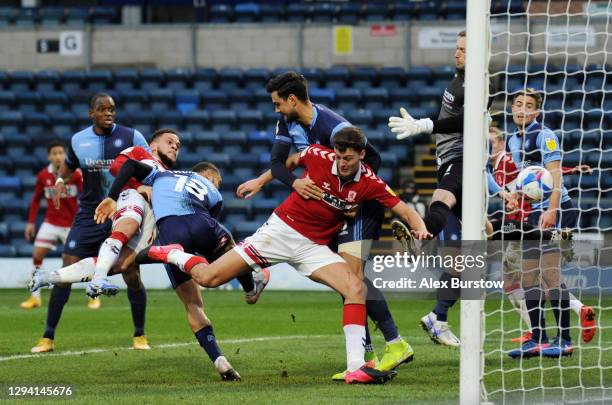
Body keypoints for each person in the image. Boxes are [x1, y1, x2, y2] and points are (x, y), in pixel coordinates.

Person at [128, 127, 430, 384]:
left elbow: (404, 210)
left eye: (349, 158)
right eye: (339, 156)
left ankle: (355, 369)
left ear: (362, 155)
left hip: (313, 247)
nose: (342, 162)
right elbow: (288, 162)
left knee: (355, 287)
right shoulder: (318, 155)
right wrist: (264, 181)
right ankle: (172, 254)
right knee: (209, 277)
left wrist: (421, 230)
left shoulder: (370, 183)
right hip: (279, 232)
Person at [237, 72, 414, 378]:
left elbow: (372, 161)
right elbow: (283, 163)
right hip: (333, 205)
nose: (276, 109)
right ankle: (366, 356)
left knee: (353, 277)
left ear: (292, 99)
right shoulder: (287, 122)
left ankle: (395, 344)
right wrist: (266, 181)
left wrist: (351, 198)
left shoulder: (334, 127)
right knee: (345, 281)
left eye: (278, 103)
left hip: (359, 206)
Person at [93, 159, 269, 381]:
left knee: (192, 304)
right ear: (209, 176)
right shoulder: (214, 192)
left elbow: (128, 166)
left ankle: (218, 359)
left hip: (170, 235)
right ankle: (251, 287)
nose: (217, 185)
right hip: (201, 223)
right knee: (231, 250)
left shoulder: (161, 175)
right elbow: (207, 223)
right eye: (217, 181)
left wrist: (112, 195)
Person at [388, 29, 495, 346]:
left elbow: (469, 121)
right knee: (464, 251)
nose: (457, 53)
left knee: (470, 255)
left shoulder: (479, 83)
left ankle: (438, 315)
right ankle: (421, 233)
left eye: (464, 49)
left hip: (463, 157)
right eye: (457, 47)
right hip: (454, 159)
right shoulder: (459, 78)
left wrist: (426, 124)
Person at [30, 93, 151, 354]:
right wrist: (61, 180)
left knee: (131, 274)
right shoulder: (78, 140)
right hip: (88, 215)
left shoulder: (133, 137)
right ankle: (47, 337)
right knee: (66, 271)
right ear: (91, 114)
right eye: (102, 109)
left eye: (112, 109)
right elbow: (69, 166)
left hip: (122, 211)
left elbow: (151, 168)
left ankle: (139, 334)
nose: (109, 113)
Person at [488, 126, 596, 344]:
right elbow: (537, 177)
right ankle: (555, 321)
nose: (487, 147)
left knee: (527, 276)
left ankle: (541, 329)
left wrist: (512, 210)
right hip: (528, 219)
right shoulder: (498, 165)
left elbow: (538, 177)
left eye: (490, 142)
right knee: (532, 276)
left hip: (531, 221)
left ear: (500, 143)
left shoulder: (506, 161)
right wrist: (571, 170)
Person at [504, 88, 582, 358]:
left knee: (549, 274)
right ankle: (537, 339)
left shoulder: (545, 136)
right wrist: (515, 196)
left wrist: (551, 210)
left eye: (528, 105)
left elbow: (555, 177)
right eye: (517, 104)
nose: (521, 109)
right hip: (531, 214)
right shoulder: (513, 140)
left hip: (557, 210)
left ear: (536, 111)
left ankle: (565, 340)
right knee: (527, 276)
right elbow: (522, 177)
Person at [20, 140, 83, 310]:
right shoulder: (43, 176)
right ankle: (35, 297)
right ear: (49, 156)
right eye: (54, 153)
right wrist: (31, 223)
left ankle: (93, 296)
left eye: (61, 153)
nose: (58, 156)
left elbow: (86, 196)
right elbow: (35, 200)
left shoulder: (76, 174)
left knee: (79, 260)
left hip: (72, 224)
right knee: (37, 254)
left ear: (65, 155)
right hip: (51, 222)